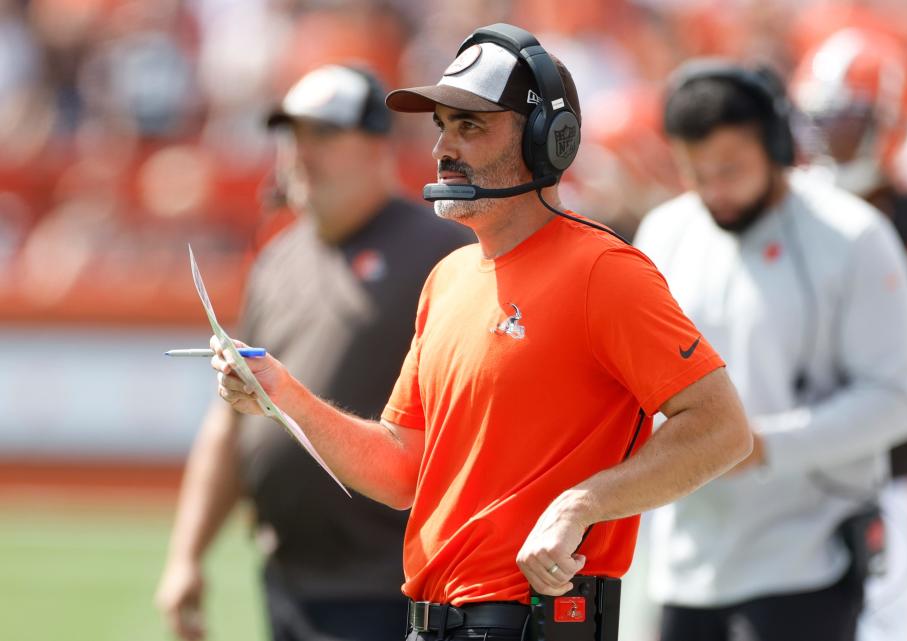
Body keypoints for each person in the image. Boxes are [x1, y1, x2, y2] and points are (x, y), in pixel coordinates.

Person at [208, 23, 753, 641]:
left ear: (552, 139)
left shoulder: (604, 271)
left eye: (471, 125)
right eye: (442, 125)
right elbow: (402, 471)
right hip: (429, 623)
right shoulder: (448, 278)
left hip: (531, 621)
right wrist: (284, 396)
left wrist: (583, 504)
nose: (445, 145)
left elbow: (720, 427)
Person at [155, 65, 472, 641]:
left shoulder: (444, 251)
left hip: (396, 587)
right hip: (290, 581)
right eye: (292, 135)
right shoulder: (278, 257)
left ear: (378, 144)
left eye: (323, 135)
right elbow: (229, 425)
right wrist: (186, 555)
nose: (300, 153)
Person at [634, 60, 907, 641]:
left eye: (731, 169)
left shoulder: (854, 235)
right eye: (696, 173)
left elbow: (896, 399)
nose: (715, 190)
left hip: (807, 562)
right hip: (683, 566)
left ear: (778, 144)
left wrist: (761, 446)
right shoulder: (662, 233)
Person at [792, 27, 907, 641]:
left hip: (891, 477)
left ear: (891, 119)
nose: (827, 134)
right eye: (819, 116)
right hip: (796, 480)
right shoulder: (790, 213)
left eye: (846, 119)